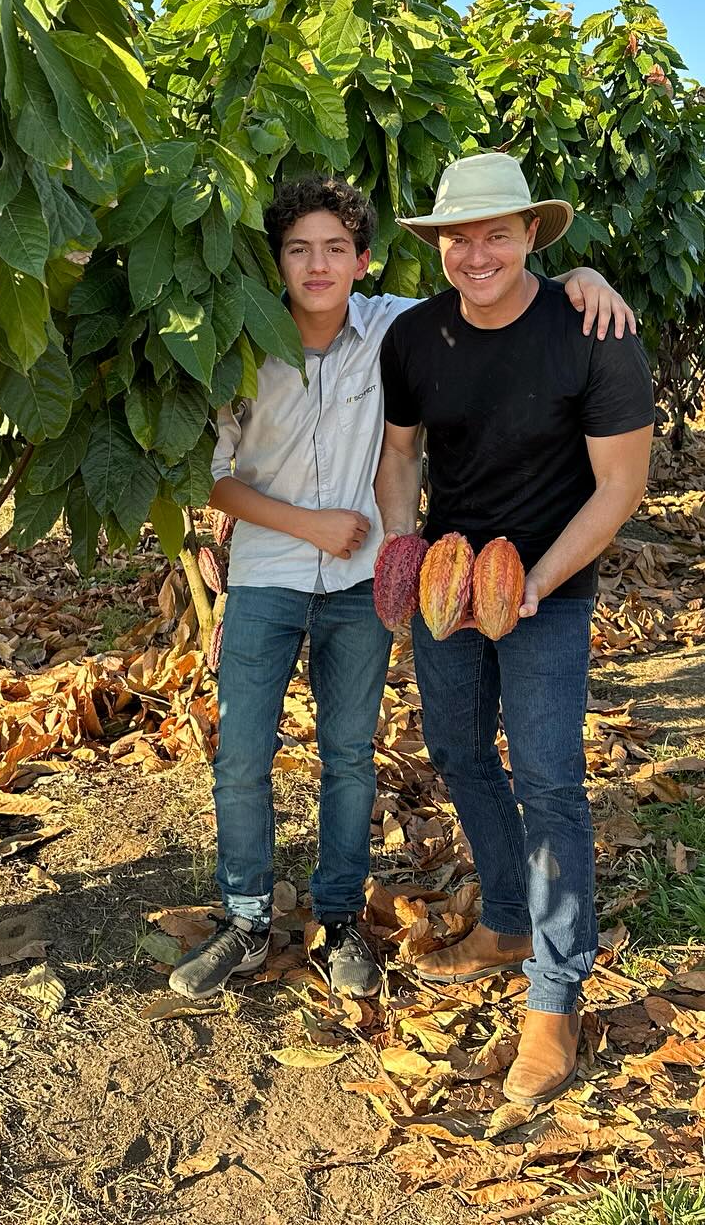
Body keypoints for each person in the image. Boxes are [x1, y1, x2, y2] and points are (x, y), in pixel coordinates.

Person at [168, 173, 635, 1006]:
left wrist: (581, 281)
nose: (318, 266)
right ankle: (254, 916)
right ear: (275, 260)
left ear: (364, 261)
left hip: (448, 585)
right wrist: (357, 534)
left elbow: (497, 288)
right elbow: (242, 474)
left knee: (425, 764)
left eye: (336, 250)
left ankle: (485, 965)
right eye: (299, 250)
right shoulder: (284, 343)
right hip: (326, 575)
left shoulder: (409, 324)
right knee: (275, 753)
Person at [374, 152, 654, 1103]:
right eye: (459, 236)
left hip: (551, 584)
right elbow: (402, 454)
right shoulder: (413, 337)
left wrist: (534, 580)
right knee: (456, 750)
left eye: (498, 231)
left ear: (534, 233)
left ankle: (555, 994)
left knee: (550, 780)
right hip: (452, 582)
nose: (477, 252)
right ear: (438, 246)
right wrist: (404, 549)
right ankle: (506, 916)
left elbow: (620, 486)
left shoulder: (593, 330)